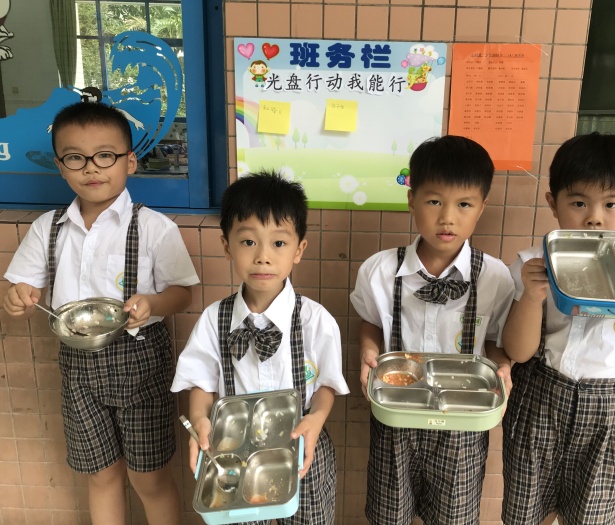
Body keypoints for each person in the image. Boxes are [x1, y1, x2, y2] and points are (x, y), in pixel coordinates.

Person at [2, 102, 199, 525]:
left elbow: (183, 294)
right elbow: (21, 288)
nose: (91, 167)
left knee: (149, 478)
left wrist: (153, 304)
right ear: (60, 166)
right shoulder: (48, 227)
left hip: (141, 364)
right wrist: (17, 297)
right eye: (76, 157)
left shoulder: (154, 227)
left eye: (105, 155)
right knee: (101, 474)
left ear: (130, 161)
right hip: (77, 368)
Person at [501, 132, 615, 525]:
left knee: (592, 517)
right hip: (539, 401)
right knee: (527, 513)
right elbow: (517, 352)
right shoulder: (531, 264)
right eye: (578, 202)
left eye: (611, 203)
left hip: (611, 410)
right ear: (553, 202)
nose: (594, 217)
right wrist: (530, 297)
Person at [350, 135, 515, 525]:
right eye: (434, 201)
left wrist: (504, 367)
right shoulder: (379, 270)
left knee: (454, 518)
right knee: (389, 516)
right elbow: (370, 322)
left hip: (464, 421)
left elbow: (495, 341)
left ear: (482, 207)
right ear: (412, 200)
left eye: (464, 204)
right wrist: (368, 351)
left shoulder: (494, 276)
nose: (447, 218)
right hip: (396, 416)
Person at [171, 171, 350, 524]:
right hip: (233, 458)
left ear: (299, 250)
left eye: (278, 243)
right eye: (249, 241)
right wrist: (200, 419)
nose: (263, 257)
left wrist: (317, 418)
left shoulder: (315, 320)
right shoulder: (214, 319)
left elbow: (326, 386)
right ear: (227, 246)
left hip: (302, 450)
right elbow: (201, 383)